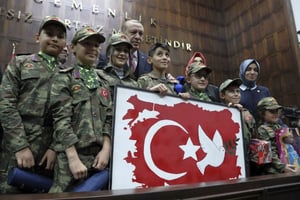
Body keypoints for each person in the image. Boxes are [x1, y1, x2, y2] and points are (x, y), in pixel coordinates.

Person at [0, 16, 67, 194]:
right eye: (49, 34)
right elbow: (6, 105)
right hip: (17, 150)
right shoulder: (20, 64)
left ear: (65, 43)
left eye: (60, 36)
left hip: (49, 157)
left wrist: (54, 148)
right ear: (38, 37)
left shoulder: (68, 74)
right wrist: (20, 146)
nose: (54, 39)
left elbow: (68, 116)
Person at [48, 26, 112, 193]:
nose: (93, 49)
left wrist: (106, 150)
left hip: (100, 159)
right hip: (72, 157)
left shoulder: (104, 83)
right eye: (87, 44)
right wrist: (73, 158)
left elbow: (109, 119)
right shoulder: (64, 78)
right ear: (73, 48)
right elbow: (61, 121)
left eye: (97, 45)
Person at [219, 78, 256, 175]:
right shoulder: (217, 112)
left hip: (245, 158)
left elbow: (253, 134)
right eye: (231, 91)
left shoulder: (246, 113)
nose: (236, 94)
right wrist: (230, 112)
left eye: (238, 91)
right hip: (226, 158)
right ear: (222, 95)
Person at [256, 97, 297, 174]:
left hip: (286, 163)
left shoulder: (279, 127)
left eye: (277, 111)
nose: (276, 114)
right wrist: (282, 167)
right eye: (272, 111)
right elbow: (266, 153)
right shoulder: (262, 130)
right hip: (273, 169)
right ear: (262, 113)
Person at [96, 32, 139, 100]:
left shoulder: (134, 84)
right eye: (118, 49)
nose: (122, 54)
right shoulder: (97, 76)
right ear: (109, 53)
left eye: (125, 51)